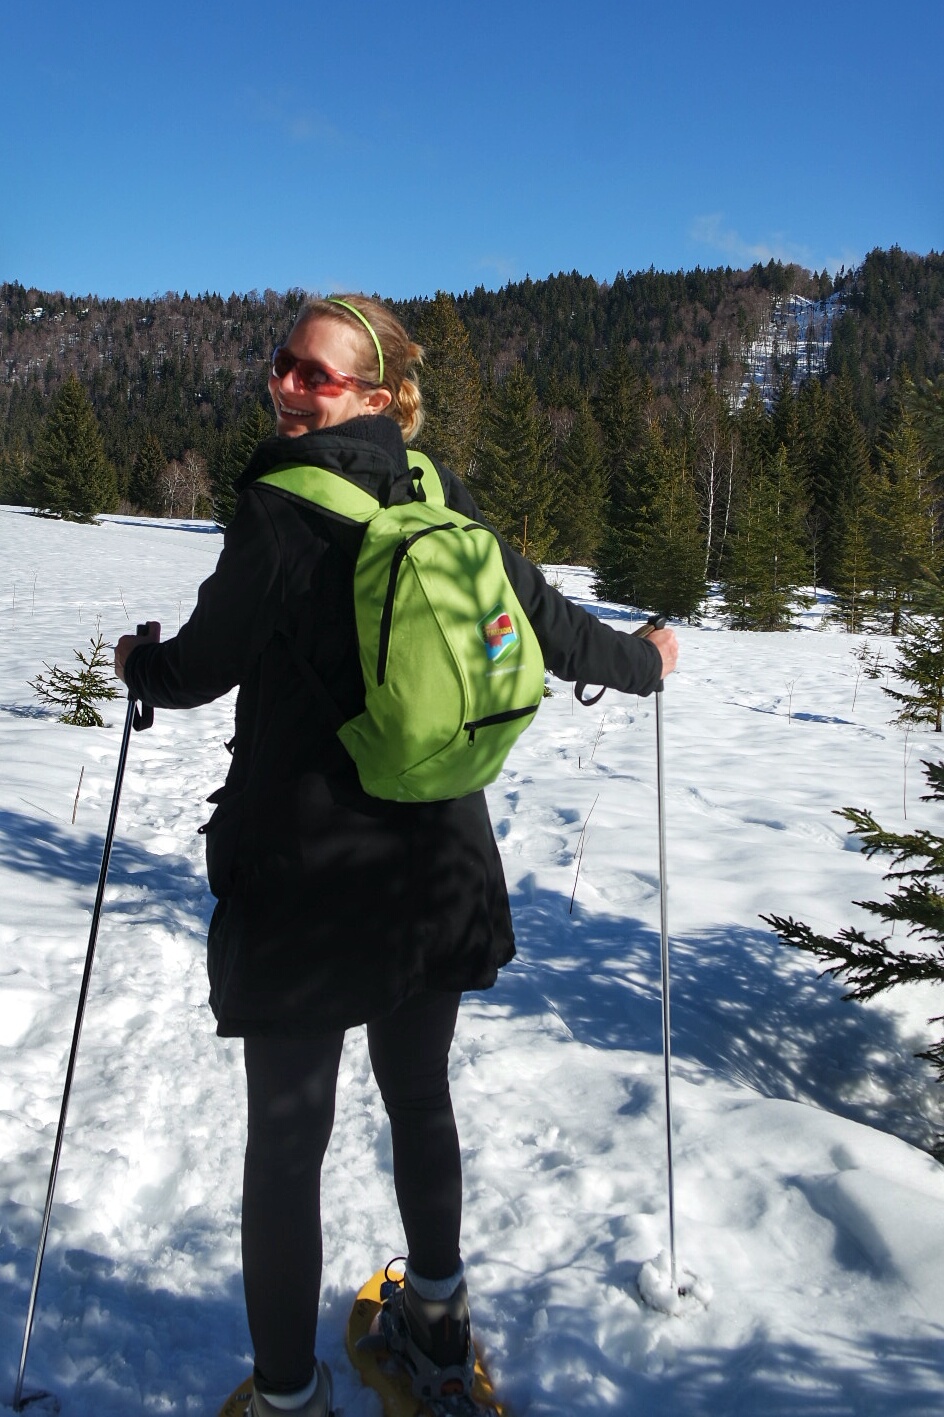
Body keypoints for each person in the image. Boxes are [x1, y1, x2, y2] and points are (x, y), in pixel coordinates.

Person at [116, 294, 678, 1417]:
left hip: (308, 876)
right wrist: (645, 661)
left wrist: (140, 664)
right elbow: (542, 618)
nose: (286, 387)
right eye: (281, 364)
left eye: (313, 375)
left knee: (288, 1143)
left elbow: (203, 666)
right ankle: (433, 1326)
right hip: (438, 863)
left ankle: (287, 1399)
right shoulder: (434, 489)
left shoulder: (280, 503)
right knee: (419, 1093)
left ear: (376, 394)